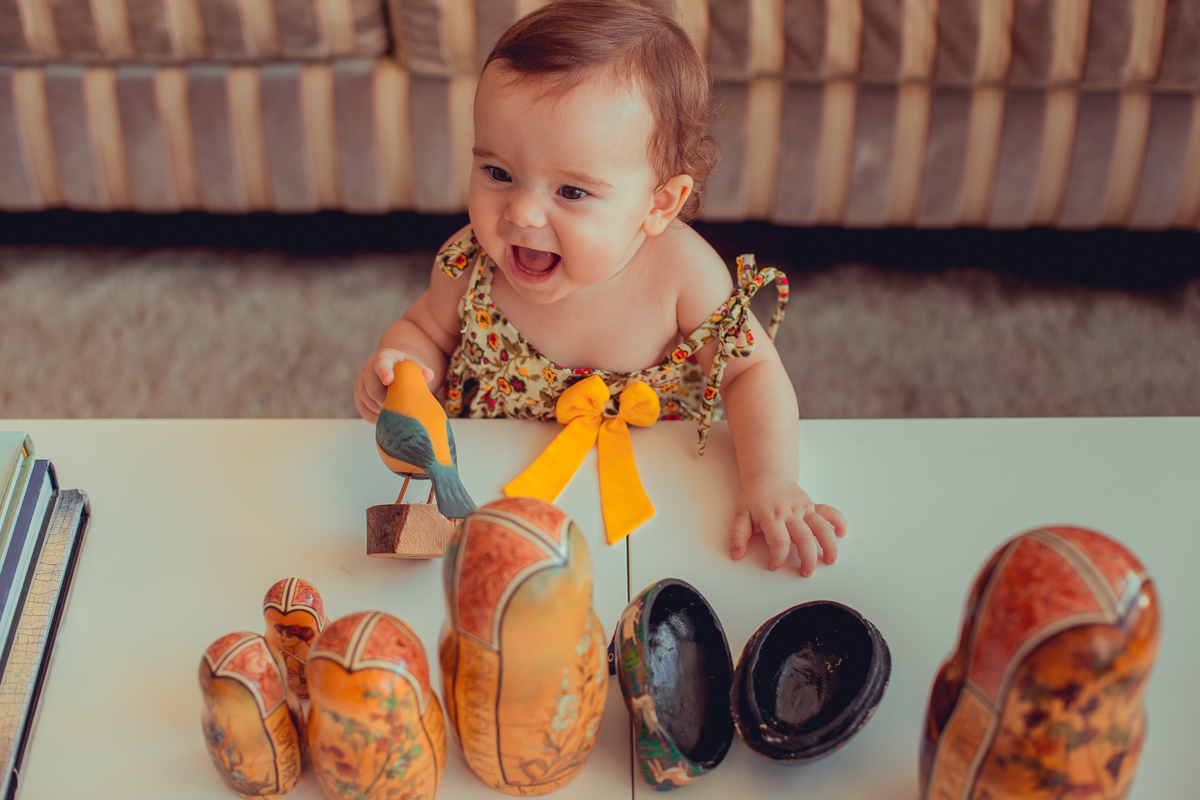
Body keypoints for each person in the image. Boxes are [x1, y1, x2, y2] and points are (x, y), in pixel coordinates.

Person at [354, 0, 846, 575]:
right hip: (499, 486)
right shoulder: (469, 263)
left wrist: (770, 478)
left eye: (572, 192)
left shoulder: (684, 274)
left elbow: (750, 371)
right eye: (498, 173)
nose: (522, 213)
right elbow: (423, 331)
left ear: (659, 203)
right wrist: (401, 369)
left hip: (659, 488)